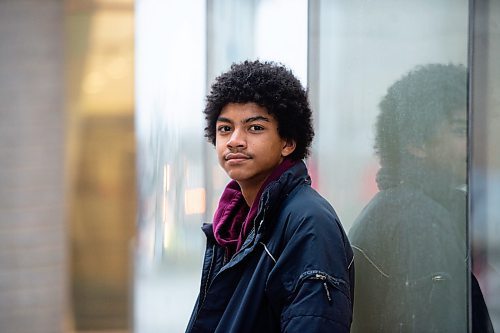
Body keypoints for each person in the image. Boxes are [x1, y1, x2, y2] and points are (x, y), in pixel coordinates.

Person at [185, 60, 354, 333]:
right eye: (225, 128)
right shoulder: (234, 226)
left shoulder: (309, 223)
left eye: (255, 128)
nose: (234, 140)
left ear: (288, 142)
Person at [348, 63, 493, 332]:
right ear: (416, 143)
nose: (472, 142)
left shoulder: (398, 206)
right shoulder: (421, 222)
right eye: (460, 131)